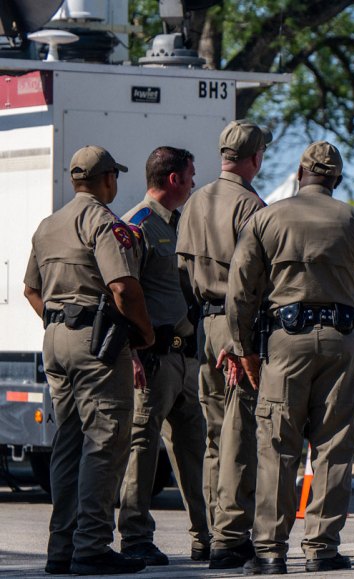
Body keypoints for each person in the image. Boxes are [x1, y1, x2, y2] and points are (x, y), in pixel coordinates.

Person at [224, 141, 354, 574]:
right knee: (334, 445)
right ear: (336, 179)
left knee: (278, 444)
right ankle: (322, 549)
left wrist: (243, 347)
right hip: (341, 341)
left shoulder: (266, 218)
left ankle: (269, 551)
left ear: (300, 173)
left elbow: (240, 291)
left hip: (285, 340)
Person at [24, 145, 155, 575]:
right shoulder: (101, 221)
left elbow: (30, 290)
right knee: (106, 439)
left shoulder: (48, 224)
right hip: (94, 343)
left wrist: (59, 320)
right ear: (107, 180)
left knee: (70, 440)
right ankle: (92, 546)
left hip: (55, 338)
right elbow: (123, 287)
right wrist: (145, 333)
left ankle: (61, 547)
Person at [176, 119, 270, 570]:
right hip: (237, 328)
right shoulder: (250, 205)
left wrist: (203, 324)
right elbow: (252, 280)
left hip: (205, 325)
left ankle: (214, 531)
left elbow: (179, 272)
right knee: (239, 434)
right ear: (254, 158)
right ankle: (231, 537)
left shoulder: (195, 201)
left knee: (215, 435)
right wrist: (241, 341)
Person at [118, 147, 210, 565]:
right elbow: (119, 290)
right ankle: (136, 537)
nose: (193, 182)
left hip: (185, 358)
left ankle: (206, 535)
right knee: (142, 449)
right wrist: (131, 352)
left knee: (194, 450)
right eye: (190, 175)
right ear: (173, 179)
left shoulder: (178, 225)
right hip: (152, 360)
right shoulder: (137, 225)